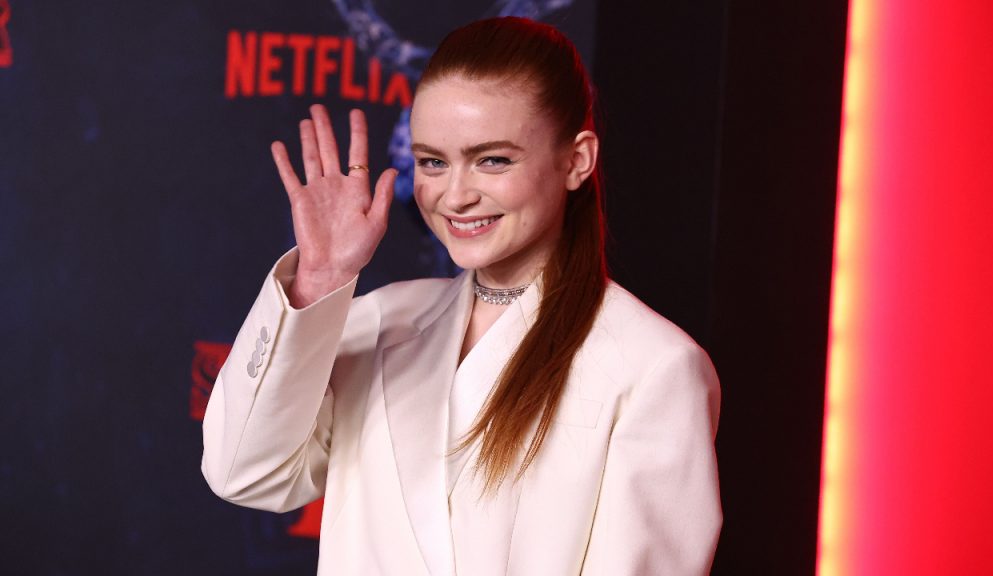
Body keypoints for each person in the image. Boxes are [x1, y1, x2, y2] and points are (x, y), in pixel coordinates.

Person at [202, 16, 721, 576]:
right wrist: (319, 278)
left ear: (577, 160)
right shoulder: (382, 319)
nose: (455, 196)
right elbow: (245, 473)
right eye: (433, 162)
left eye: (492, 159)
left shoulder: (654, 367)